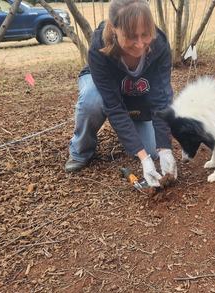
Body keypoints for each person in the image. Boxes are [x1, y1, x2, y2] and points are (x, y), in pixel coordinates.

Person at [65, 0, 177, 187]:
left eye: (145, 35)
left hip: (136, 94)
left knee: (152, 149)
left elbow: (161, 99)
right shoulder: (99, 46)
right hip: (103, 89)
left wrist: (164, 149)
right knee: (93, 100)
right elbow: (114, 106)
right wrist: (143, 159)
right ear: (114, 28)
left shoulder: (160, 45)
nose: (140, 44)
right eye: (131, 36)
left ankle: (132, 132)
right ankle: (80, 151)